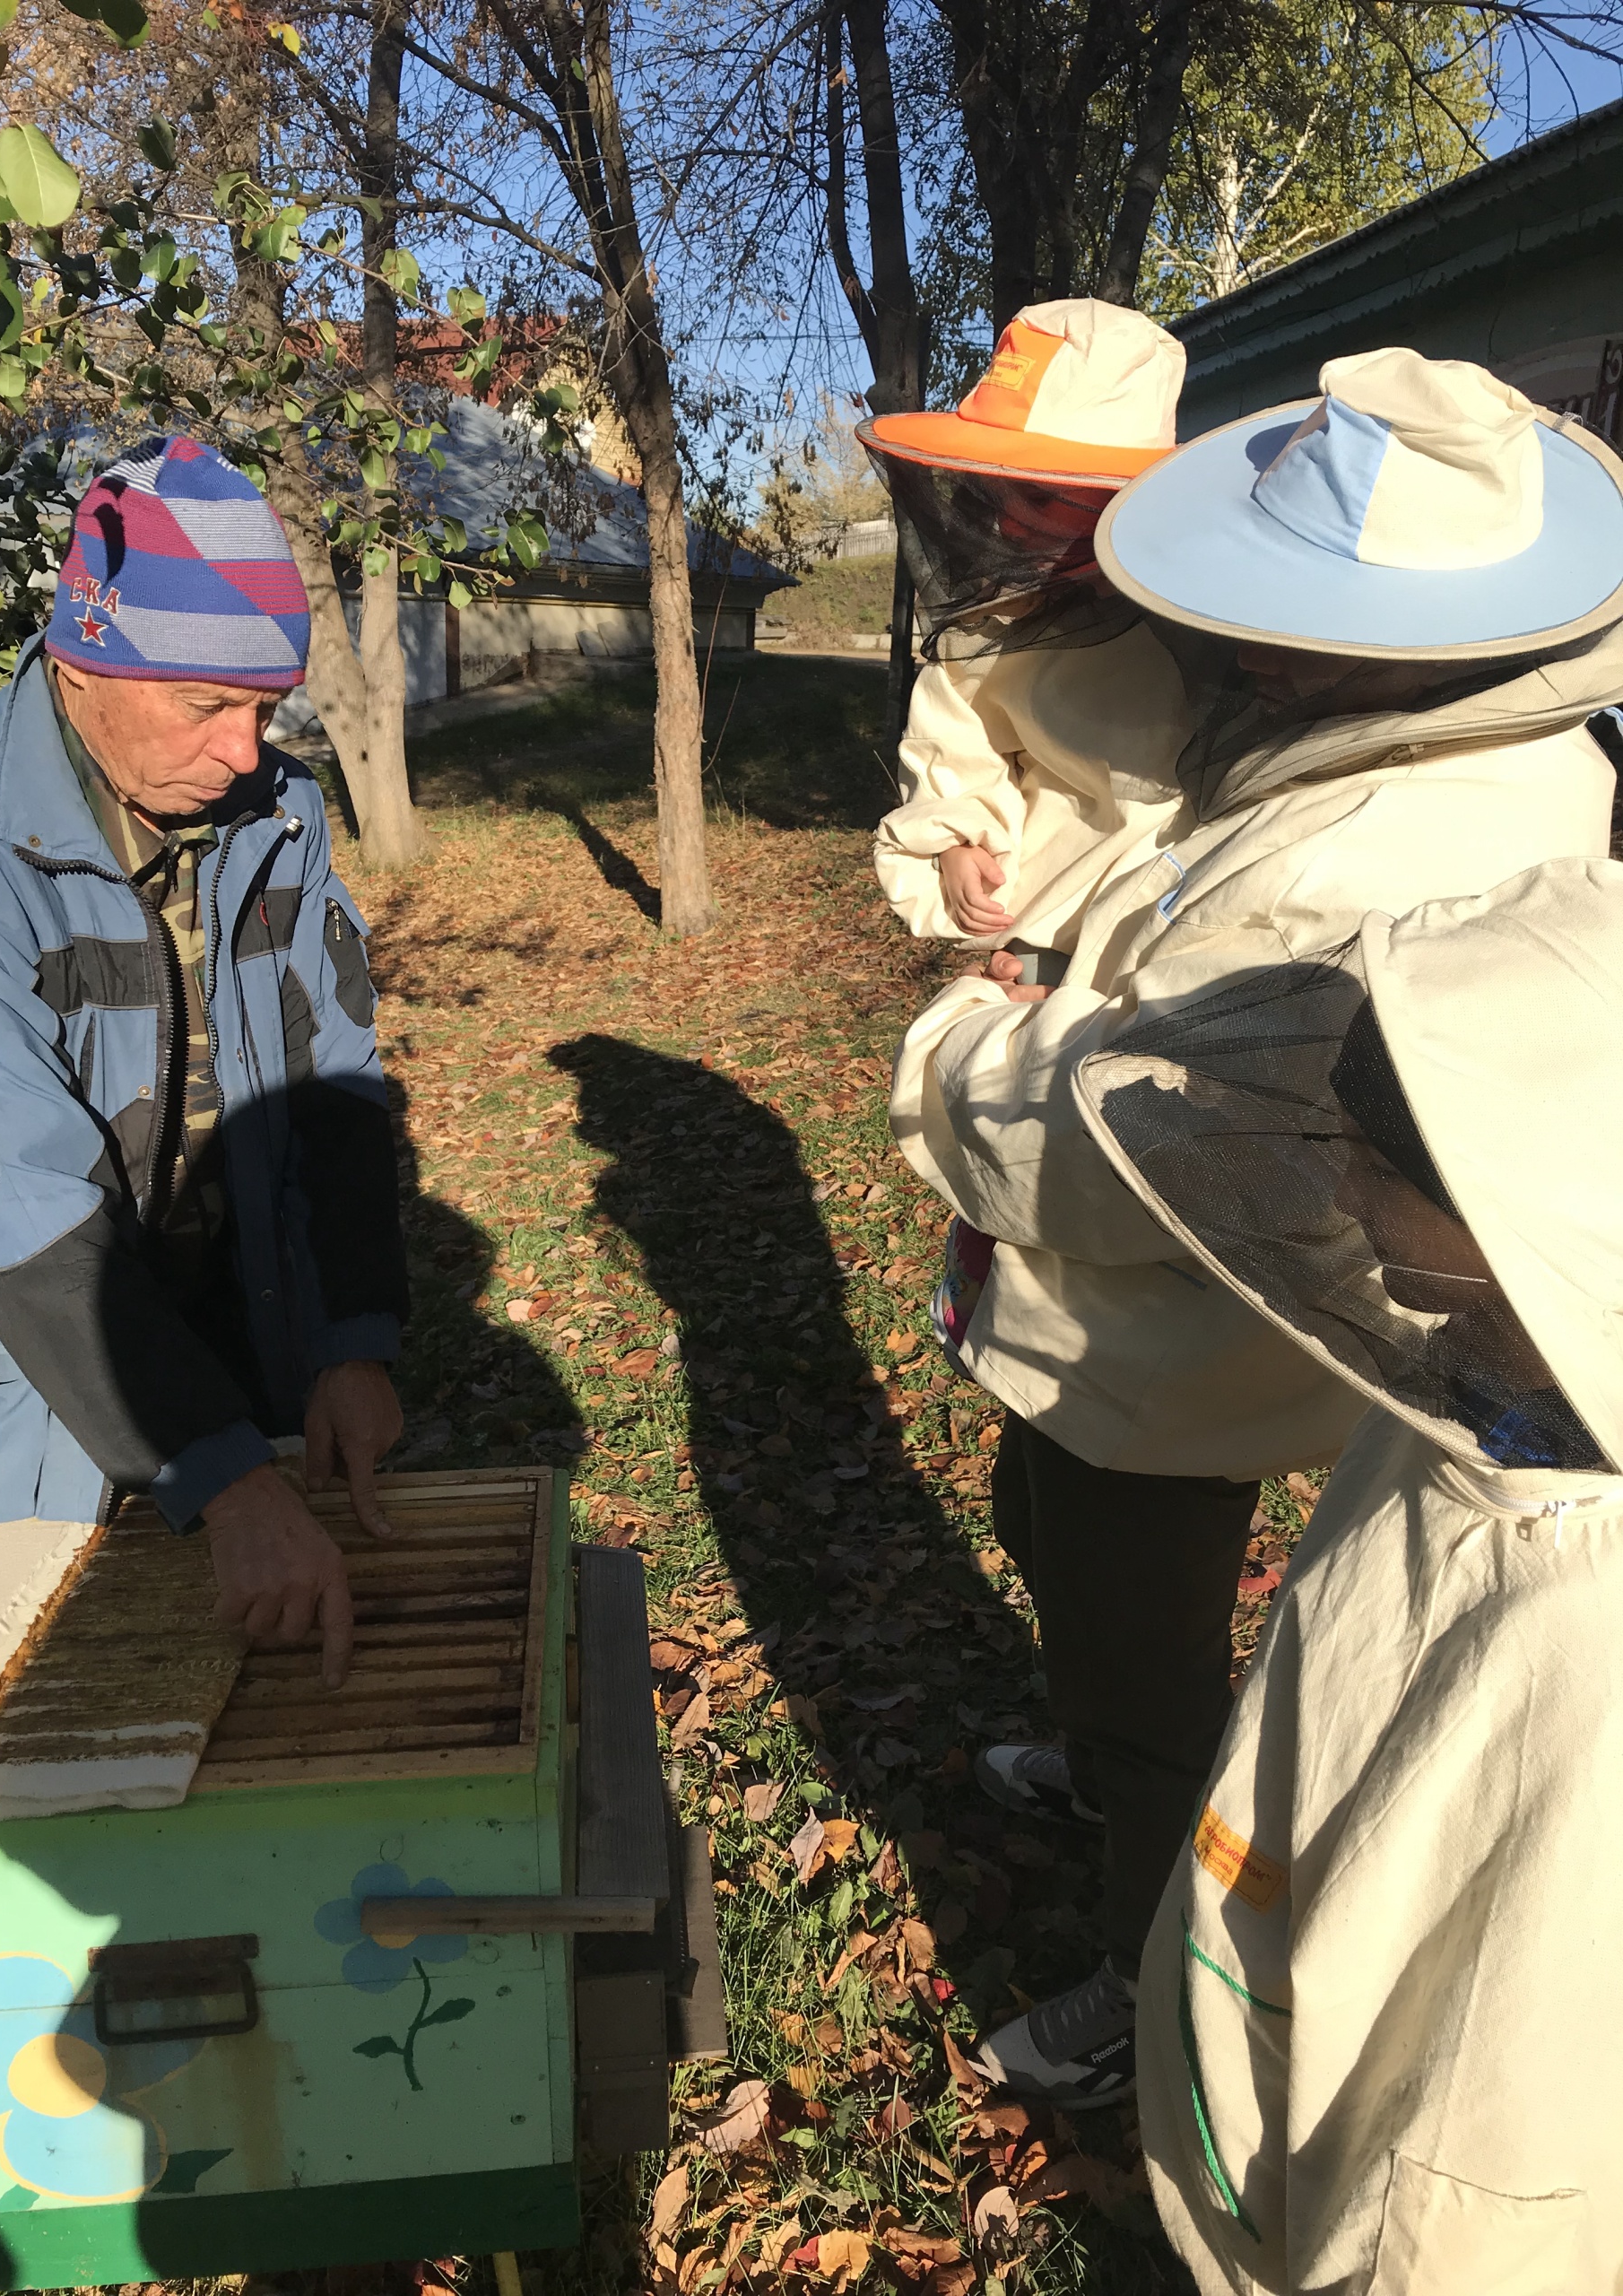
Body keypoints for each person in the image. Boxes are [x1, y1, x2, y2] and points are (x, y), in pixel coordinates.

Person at [887, 346, 1623, 2103]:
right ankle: (1128, 1773)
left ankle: (1162, 2017)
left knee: (1155, 1683)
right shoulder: (1478, 758)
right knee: (1082, 1562)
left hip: (1186, 1327)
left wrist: (959, 1042)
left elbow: (1121, 1138)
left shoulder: (1367, 840)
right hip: (1275, 1324)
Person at [1066, 857, 1623, 2294]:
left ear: (1538, 1213)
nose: (1341, 1182)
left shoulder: (1588, 1642)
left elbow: (1493, 2187)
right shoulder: (1477, 1401)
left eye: (1384, 1155)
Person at [0, 437, 410, 1689]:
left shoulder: (277, 813)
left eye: (265, 709)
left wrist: (353, 1338)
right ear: (82, 662)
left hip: (246, 1358)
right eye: (204, 708)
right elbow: (20, 1218)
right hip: (29, 1420)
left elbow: (335, 1078)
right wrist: (228, 1484)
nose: (247, 754)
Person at [864, 299, 1189, 972]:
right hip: (1036, 933)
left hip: (1175, 947)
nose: (1009, 525)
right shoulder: (996, 626)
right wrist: (957, 844)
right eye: (999, 494)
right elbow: (957, 750)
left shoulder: (1213, 622)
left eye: (1039, 498)